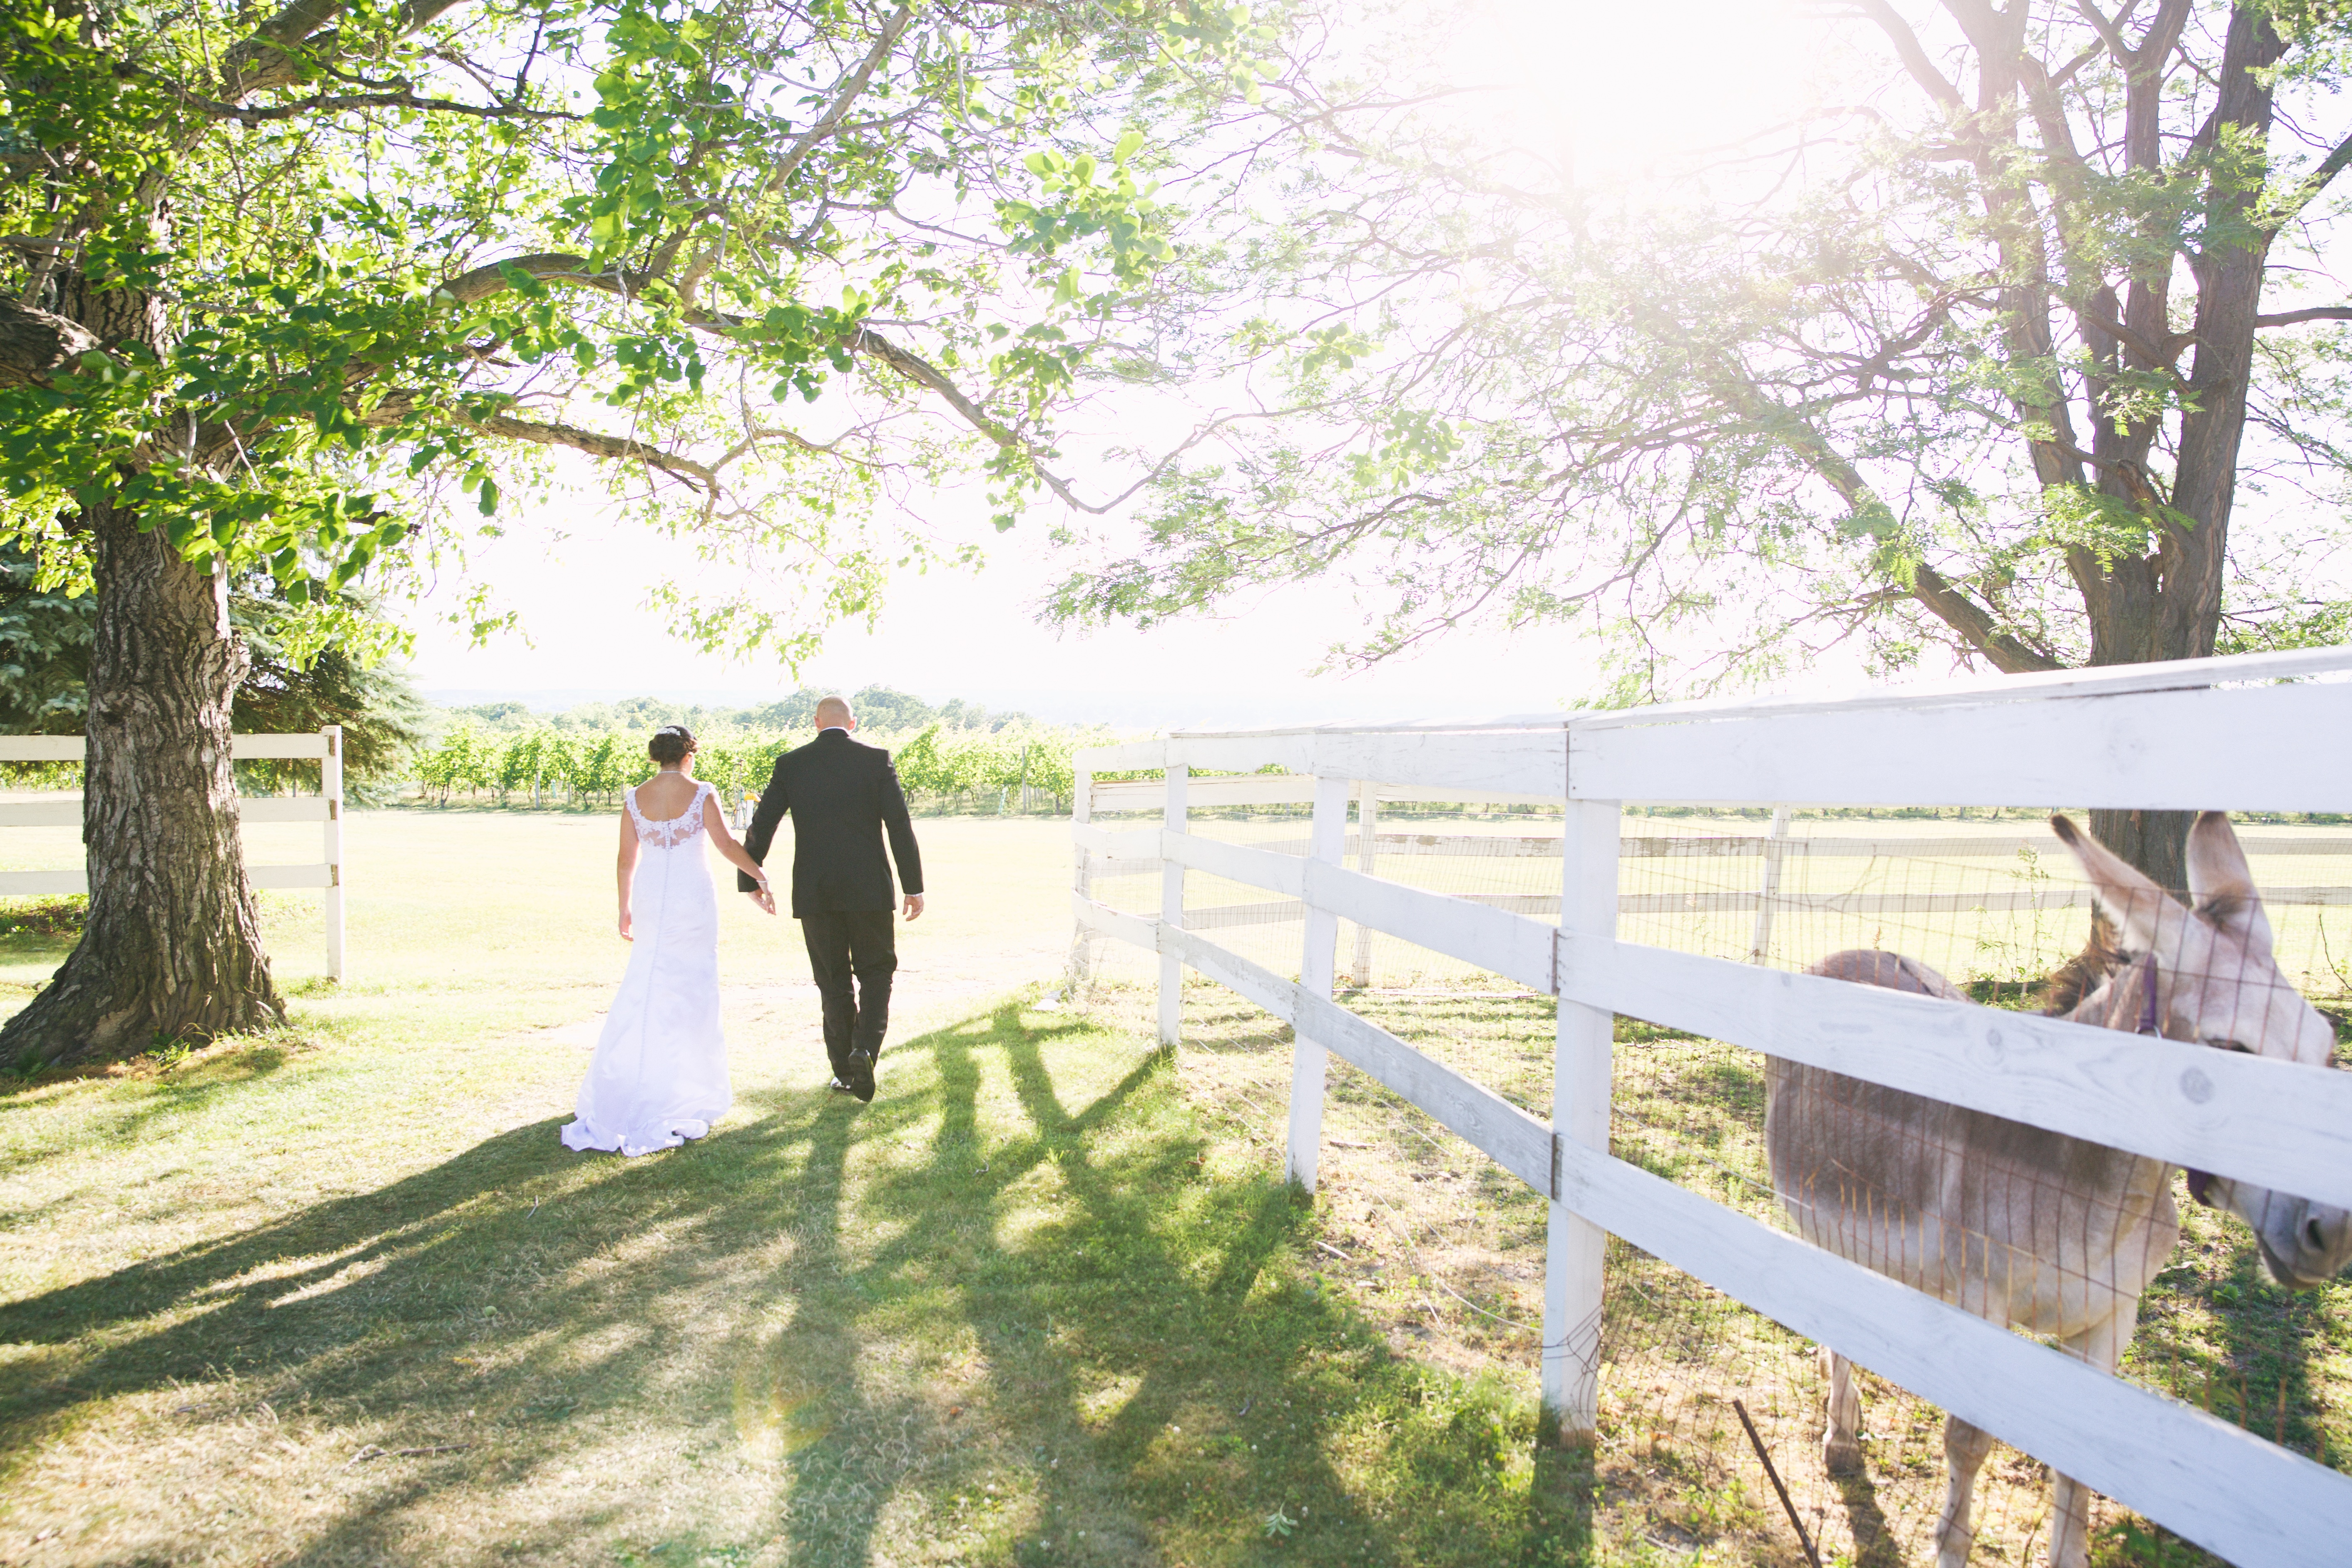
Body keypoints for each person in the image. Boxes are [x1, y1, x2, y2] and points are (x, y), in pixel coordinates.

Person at [562, 724, 774, 1155]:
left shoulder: (634, 796)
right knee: (692, 985)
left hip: (650, 894)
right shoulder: (701, 791)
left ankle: (636, 1079)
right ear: (689, 755)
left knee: (647, 979)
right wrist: (759, 873)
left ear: (657, 757)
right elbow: (726, 844)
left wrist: (624, 907)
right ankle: (683, 1087)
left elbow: (626, 859)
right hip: (691, 896)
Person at [739, 693, 925, 1103]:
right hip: (869, 889)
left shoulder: (792, 764)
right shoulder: (877, 761)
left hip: (814, 889)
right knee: (877, 971)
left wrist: (749, 875)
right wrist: (913, 885)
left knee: (832, 979)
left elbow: (763, 822)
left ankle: (844, 1071)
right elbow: (899, 824)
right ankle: (865, 1050)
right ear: (853, 723)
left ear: (816, 722)